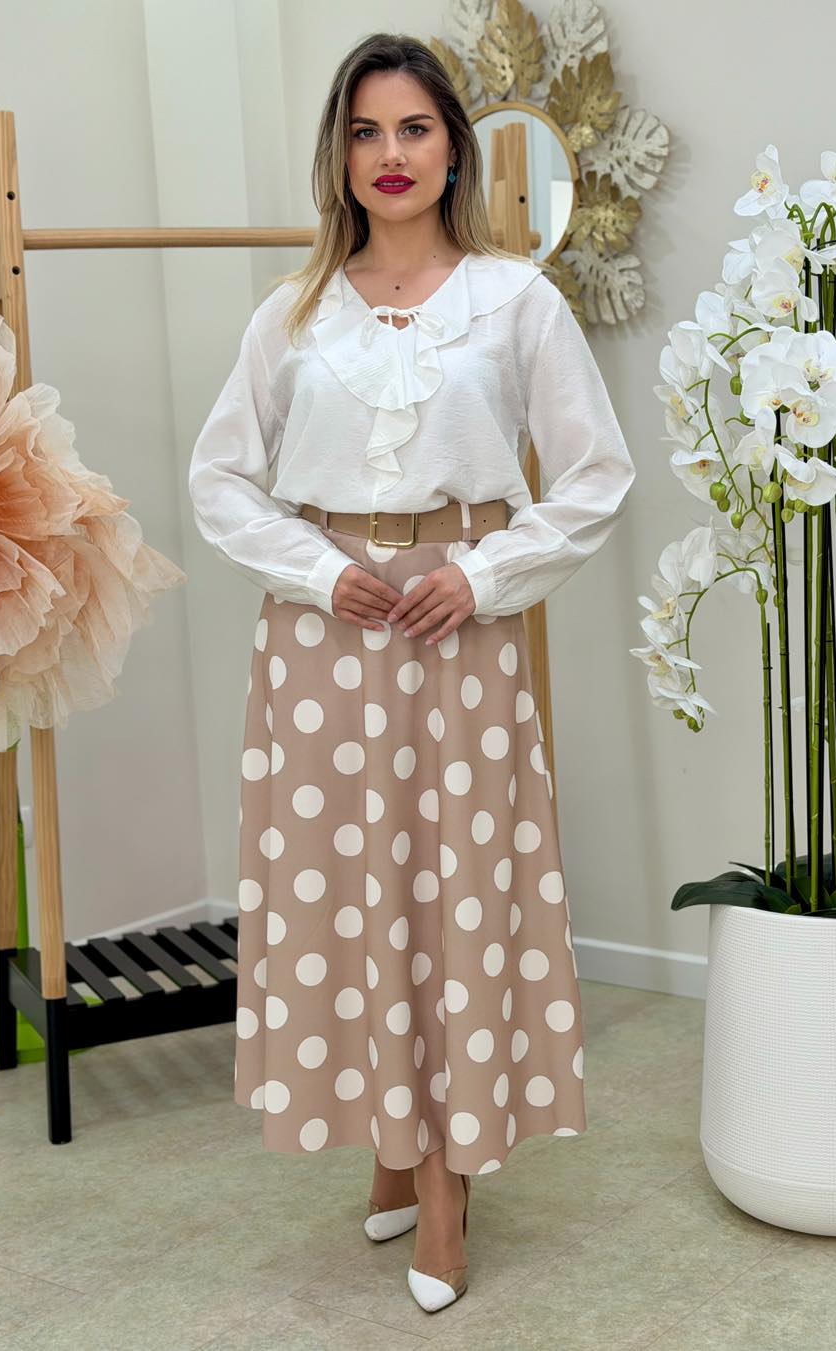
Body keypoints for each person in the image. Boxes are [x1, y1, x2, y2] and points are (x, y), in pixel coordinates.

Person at [187, 32, 636, 1314]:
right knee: (349, 903)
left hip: (459, 641)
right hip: (323, 644)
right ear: (341, 154)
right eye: (366, 131)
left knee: (454, 906)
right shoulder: (294, 312)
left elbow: (595, 476)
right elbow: (219, 479)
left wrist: (483, 576)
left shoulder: (515, 301)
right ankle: (390, 1137)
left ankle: (445, 1182)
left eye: (415, 128)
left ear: (454, 148)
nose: (390, 154)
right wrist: (314, 570)